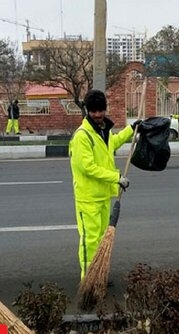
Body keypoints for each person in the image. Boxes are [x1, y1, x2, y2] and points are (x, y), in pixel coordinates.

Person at [69, 89, 137, 279]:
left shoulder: (102, 131)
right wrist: (116, 178)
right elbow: (87, 167)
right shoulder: (82, 136)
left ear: (105, 109)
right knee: (89, 241)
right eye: (94, 111)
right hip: (88, 198)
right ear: (87, 111)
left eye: (101, 111)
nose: (98, 115)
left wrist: (132, 129)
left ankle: (98, 274)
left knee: (100, 240)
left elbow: (112, 144)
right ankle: (88, 279)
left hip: (103, 196)